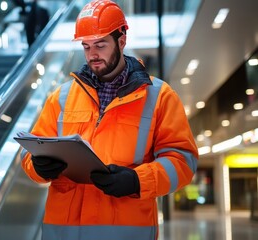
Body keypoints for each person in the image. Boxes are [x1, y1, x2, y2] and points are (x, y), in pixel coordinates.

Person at [20, 0, 198, 239]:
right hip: (63, 232)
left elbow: (183, 162)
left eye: (100, 45)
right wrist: (38, 166)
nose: (92, 55)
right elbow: (31, 152)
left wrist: (137, 181)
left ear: (121, 41)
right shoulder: (61, 97)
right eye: (86, 46)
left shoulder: (159, 96)